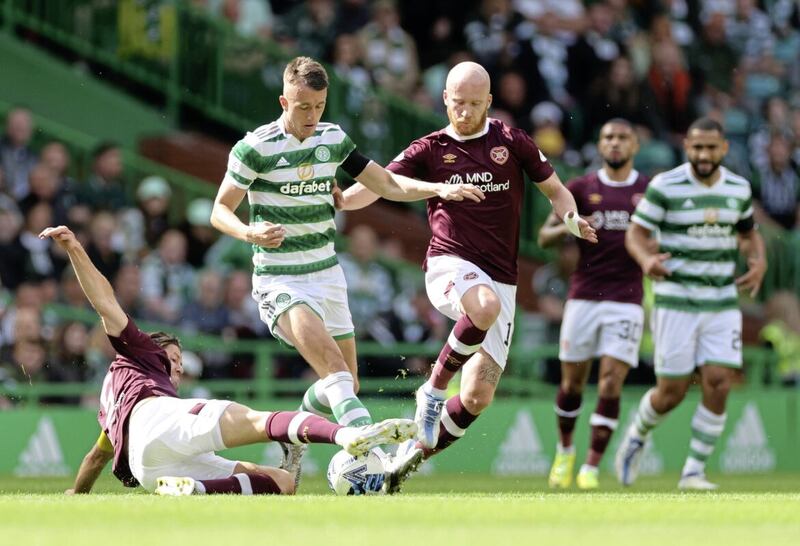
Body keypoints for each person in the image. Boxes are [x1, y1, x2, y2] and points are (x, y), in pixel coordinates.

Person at [209, 56, 483, 482]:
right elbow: (219, 210)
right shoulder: (255, 147)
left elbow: (387, 184)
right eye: (303, 107)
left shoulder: (333, 139)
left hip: (328, 277)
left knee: (346, 384)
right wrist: (249, 232)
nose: (311, 116)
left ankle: (294, 432)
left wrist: (438, 187)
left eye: (319, 106)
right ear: (284, 100)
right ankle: (363, 438)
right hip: (280, 279)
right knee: (334, 369)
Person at [338, 61, 597, 492]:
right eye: (458, 102)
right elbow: (382, 182)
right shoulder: (430, 148)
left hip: (502, 278)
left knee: (478, 396)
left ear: (490, 102)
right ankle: (432, 391)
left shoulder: (512, 142)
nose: (465, 111)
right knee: (483, 305)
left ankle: (408, 458)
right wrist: (344, 201)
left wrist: (571, 219)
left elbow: (555, 190)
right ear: (444, 98)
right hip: (449, 264)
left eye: (475, 104)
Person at [41, 224, 416, 496]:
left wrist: (78, 494)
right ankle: (348, 435)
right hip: (159, 424)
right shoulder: (142, 354)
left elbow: (95, 458)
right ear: (151, 350)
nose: (178, 367)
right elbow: (105, 301)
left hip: (147, 468)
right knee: (261, 420)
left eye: (179, 361)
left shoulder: (114, 406)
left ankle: (197, 490)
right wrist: (75, 248)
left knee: (283, 483)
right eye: (173, 357)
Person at [615, 117, 767, 490]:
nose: (704, 155)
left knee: (719, 381)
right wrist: (646, 260)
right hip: (676, 300)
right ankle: (636, 435)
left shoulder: (738, 189)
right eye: (697, 148)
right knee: (672, 392)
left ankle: (694, 472)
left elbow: (749, 235)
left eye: (711, 148)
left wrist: (758, 260)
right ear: (687, 147)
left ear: (724, 148)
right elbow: (636, 234)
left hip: (720, 300)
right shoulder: (666, 186)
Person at [538, 119, 649, 490]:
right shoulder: (583, 187)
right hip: (583, 297)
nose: (615, 143)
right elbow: (542, 237)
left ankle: (591, 467)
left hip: (627, 299)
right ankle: (566, 450)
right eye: (608, 137)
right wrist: (570, 224)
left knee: (611, 383)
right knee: (572, 384)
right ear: (600, 145)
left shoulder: (648, 191)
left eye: (622, 137)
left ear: (634, 145)